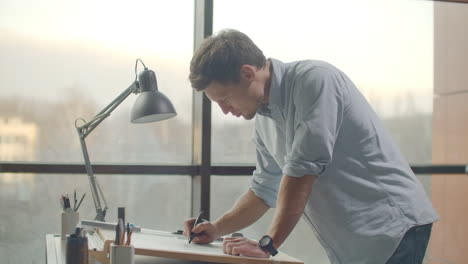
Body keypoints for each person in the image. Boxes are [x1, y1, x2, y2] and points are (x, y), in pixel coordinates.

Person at [183, 29, 438, 264]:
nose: (225, 110)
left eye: (224, 98)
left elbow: (302, 171)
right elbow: (263, 189)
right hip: (353, 241)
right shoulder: (264, 119)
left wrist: (267, 244)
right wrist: (216, 228)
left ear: (248, 73)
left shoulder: (315, 80)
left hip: (392, 227)